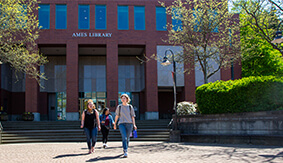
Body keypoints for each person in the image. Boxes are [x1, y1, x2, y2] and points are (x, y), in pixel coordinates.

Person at [114, 94, 137, 158]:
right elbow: (117, 115)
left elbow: (133, 116)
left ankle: (126, 147)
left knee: (127, 138)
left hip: (129, 124)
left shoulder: (130, 107)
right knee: (124, 137)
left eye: (124, 98)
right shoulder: (119, 107)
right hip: (121, 124)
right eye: (122, 98)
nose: (123, 99)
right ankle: (125, 150)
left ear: (127, 99)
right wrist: (115, 123)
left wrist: (134, 124)